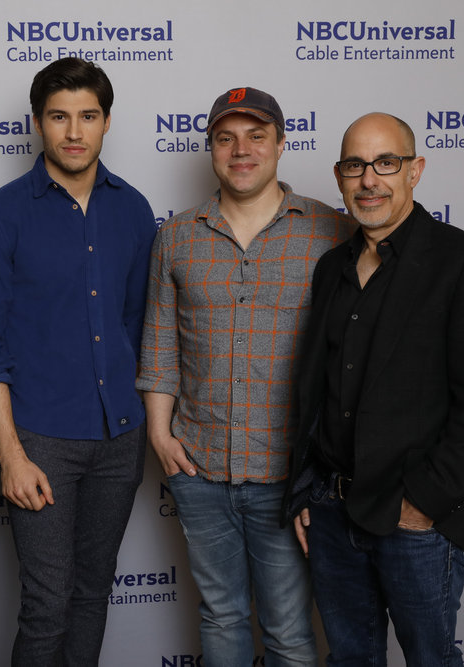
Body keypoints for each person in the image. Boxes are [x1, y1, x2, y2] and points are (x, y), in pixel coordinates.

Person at [285, 112, 464, 665]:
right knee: (350, 659)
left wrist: (424, 504)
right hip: (332, 513)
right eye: (355, 165)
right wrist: (306, 489)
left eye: (386, 163)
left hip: (414, 518)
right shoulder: (331, 268)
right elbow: (316, 390)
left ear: (415, 170)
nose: (369, 180)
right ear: (339, 176)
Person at [137, 87, 353, 666]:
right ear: (211, 148)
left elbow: (352, 357)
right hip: (199, 468)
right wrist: (160, 435)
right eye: (226, 138)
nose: (241, 150)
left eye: (257, 136)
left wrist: (320, 470)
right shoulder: (177, 236)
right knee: (221, 616)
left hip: (288, 477)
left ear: (280, 145)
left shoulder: (331, 232)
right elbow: (160, 345)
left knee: (288, 629)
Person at [0, 57, 156, 667]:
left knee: (93, 595)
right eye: (59, 116)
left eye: (87, 116)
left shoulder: (134, 210)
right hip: (39, 440)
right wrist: (11, 454)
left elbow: (134, 326)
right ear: (37, 122)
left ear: (107, 122)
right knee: (47, 606)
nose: (74, 131)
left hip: (120, 438)